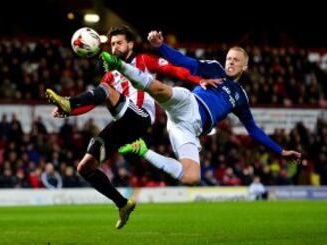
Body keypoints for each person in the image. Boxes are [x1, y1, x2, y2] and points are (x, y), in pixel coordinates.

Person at [45, 25, 217, 229]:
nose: (115, 47)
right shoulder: (109, 74)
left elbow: (172, 69)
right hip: (122, 122)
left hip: (141, 116)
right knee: (85, 167)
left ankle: (69, 101)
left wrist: (199, 79)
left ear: (130, 44)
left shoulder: (143, 60)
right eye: (112, 44)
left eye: (119, 43)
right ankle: (122, 204)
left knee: (106, 90)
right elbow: (93, 102)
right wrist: (70, 111)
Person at [100, 30, 302, 186]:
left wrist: (281, 151)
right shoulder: (214, 68)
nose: (230, 62)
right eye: (229, 58)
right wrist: (161, 47)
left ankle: (143, 151)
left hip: (188, 129)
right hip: (189, 104)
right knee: (159, 89)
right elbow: (184, 61)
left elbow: (253, 130)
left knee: (191, 177)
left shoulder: (241, 97)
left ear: (245, 67)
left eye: (236, 60)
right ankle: (119, 65)